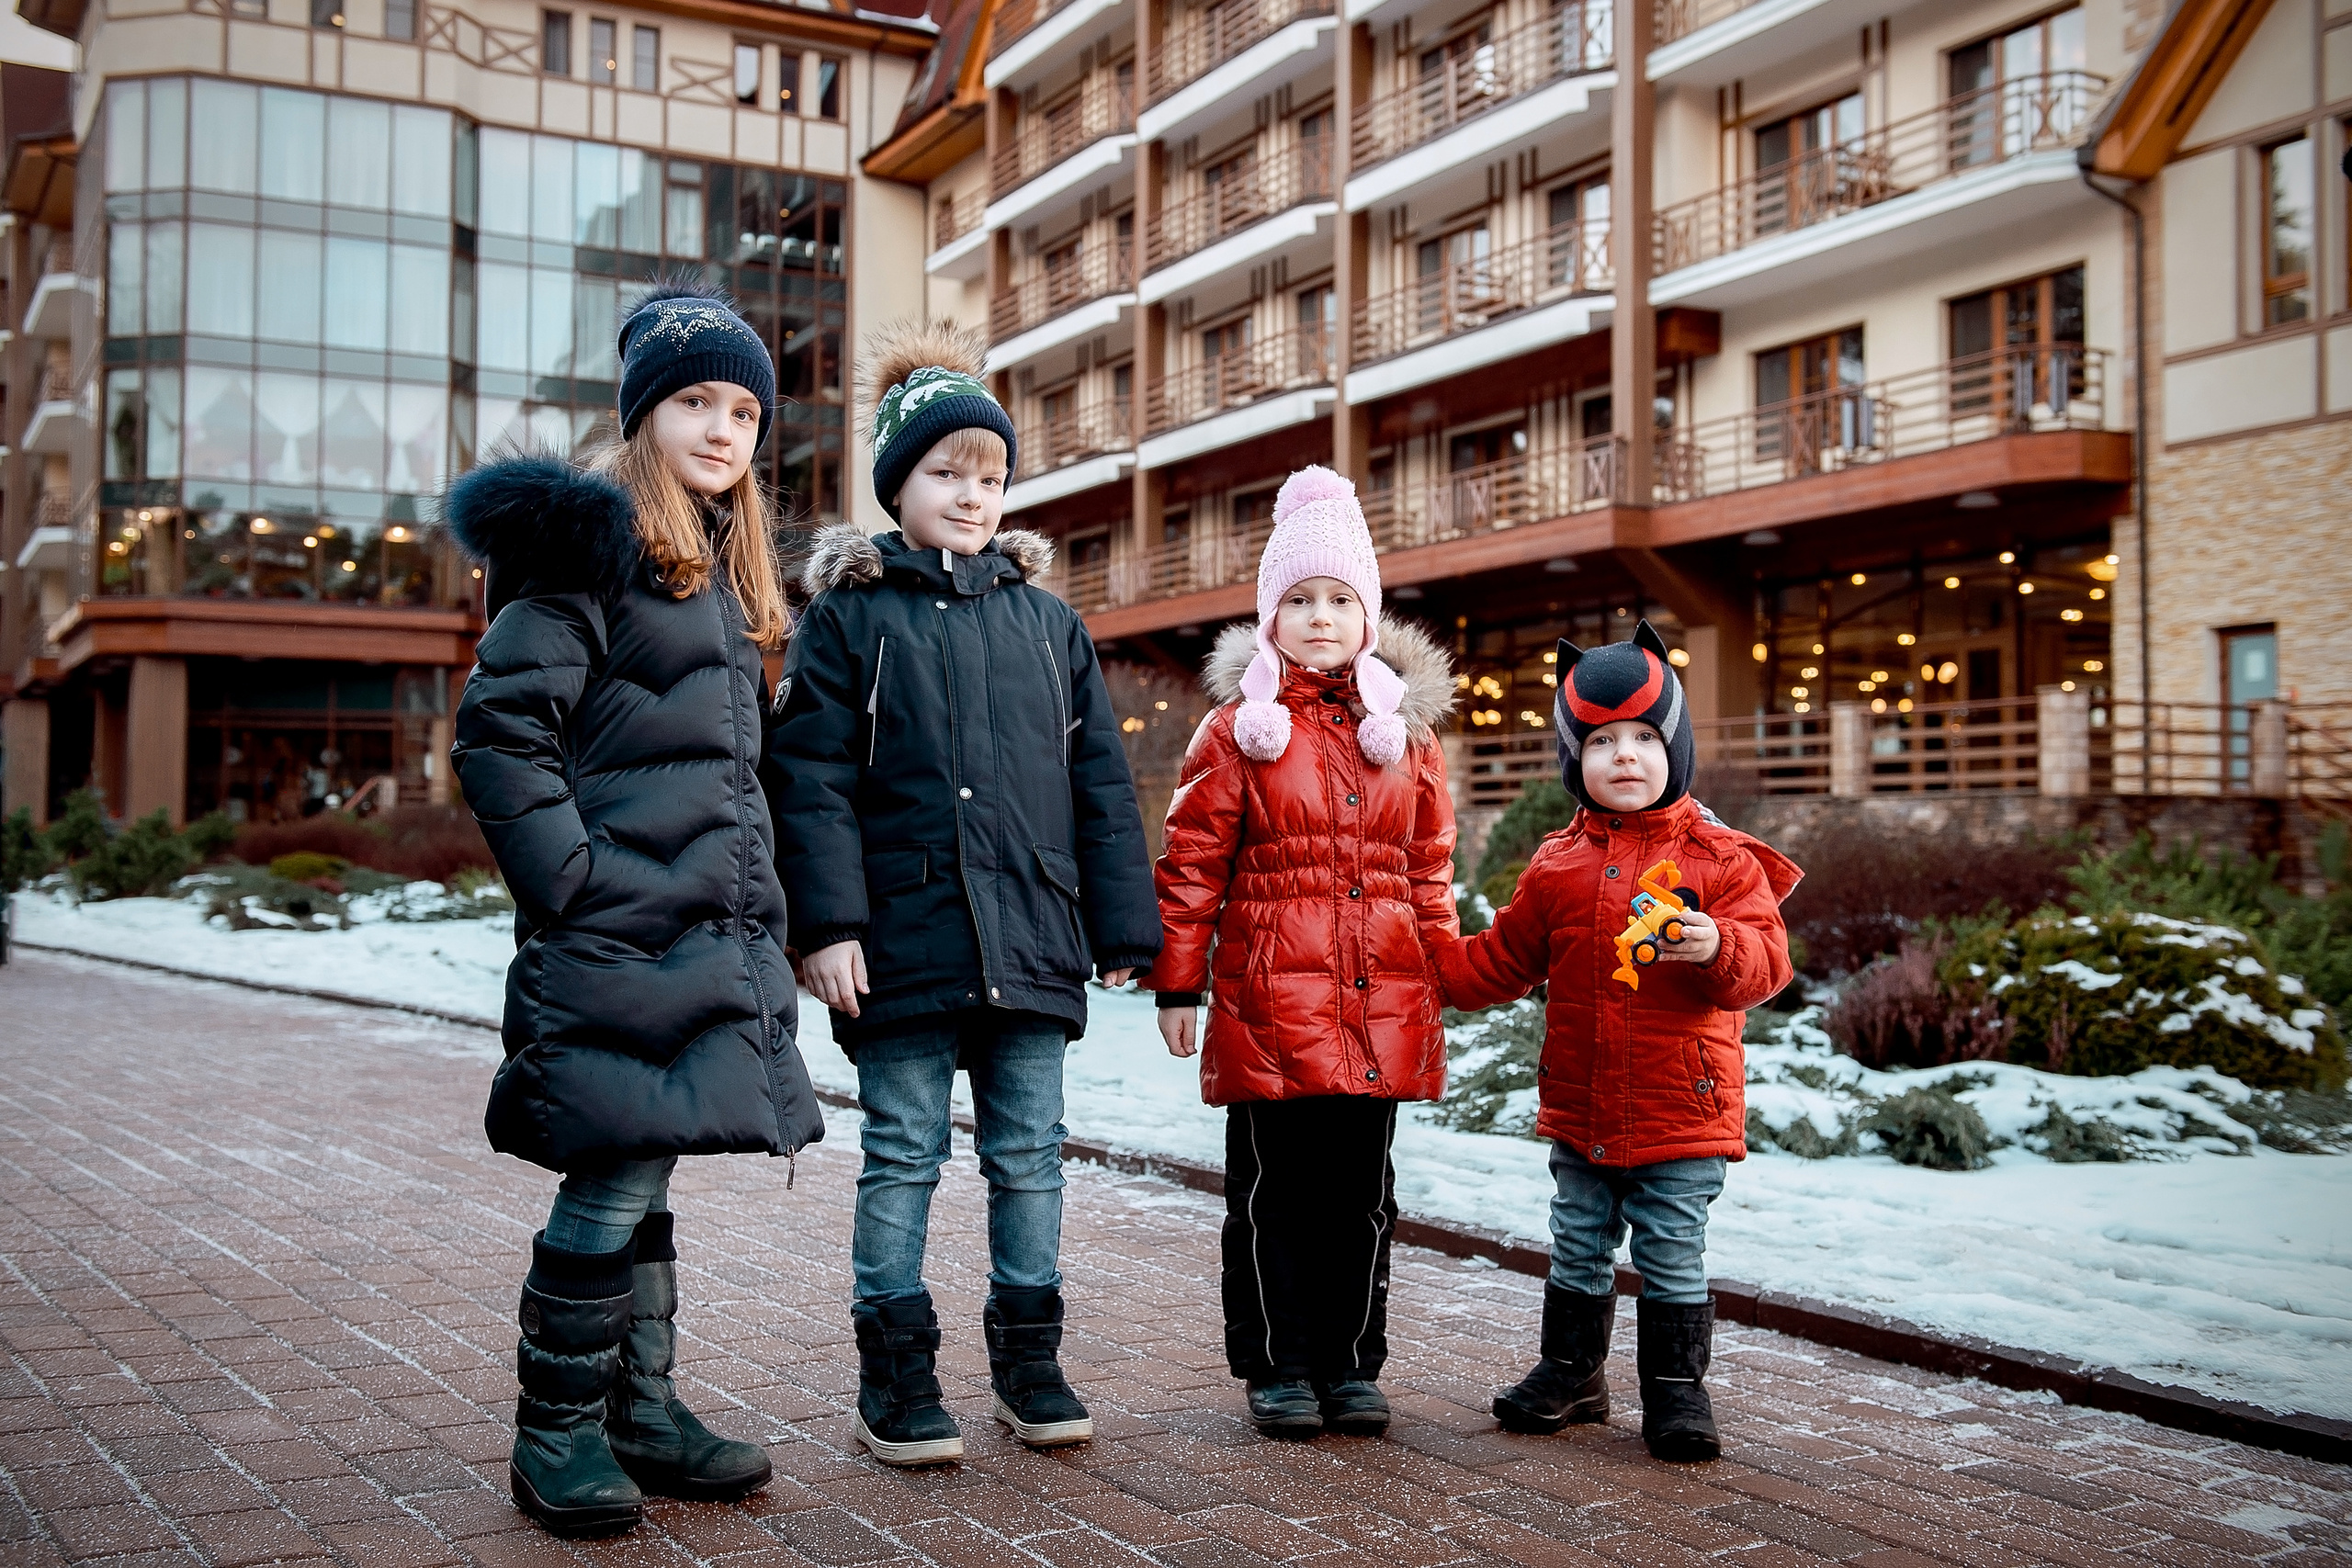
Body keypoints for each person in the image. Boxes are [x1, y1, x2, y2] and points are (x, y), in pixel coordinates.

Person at [446, 280, 825, 1536]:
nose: (723, 428)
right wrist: (574, 878)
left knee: (648, 1168)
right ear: (643, 415)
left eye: (741, 408)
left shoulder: (718, 575)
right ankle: (554, 1430)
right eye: (694, 402)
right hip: (617, 927)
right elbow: (504, 730)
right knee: (611, 1176)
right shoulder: (589, 551)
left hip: (694, 932)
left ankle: (639, 1411)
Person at [763, 319, 1161, 1467]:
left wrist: (1126, 927)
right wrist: (826, 926)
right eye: (945, 473)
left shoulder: (1048, 626)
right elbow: (811, 781)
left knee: (1030, 1153)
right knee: (902, 1152)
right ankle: (894, 1373)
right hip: (899, 939)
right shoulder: (848, 619)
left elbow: (1099, 785)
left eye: (988, 477)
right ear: (899, 485)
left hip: (1031, 931)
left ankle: (1029, 1361)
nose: (971, 495)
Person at [1437, 621, 1799, 1461]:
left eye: (1644, 736)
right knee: (1577, 1237)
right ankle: (1572, 1371)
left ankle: (1677, 1390)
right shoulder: (1558, 863)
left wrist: (1718, 945)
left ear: (1676, 746)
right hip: (1582, 1100)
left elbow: (1768, 964)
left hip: (1682, 1102)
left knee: (1672, 1249)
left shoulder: (1721, 859)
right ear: (1576, 760)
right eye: (1601, 742)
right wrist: (1431, 970)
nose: (1625, 756)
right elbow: (1504, 958)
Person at [1148, 466, 1459, 1438]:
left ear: (1366, 614)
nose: (1319, 617)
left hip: (1378, 999)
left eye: (1337, 599)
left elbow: (1430, 870)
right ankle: (1279, 1364)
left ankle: (1350, 1362)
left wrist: (1444, 972)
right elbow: (1191, 865)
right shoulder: (1239, 734)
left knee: (1362, 1197)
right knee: (1274, 1196)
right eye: (1298, 600)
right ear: (1269, 615)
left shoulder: (1404, 738)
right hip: (1270, 1003)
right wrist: (1176, 981)